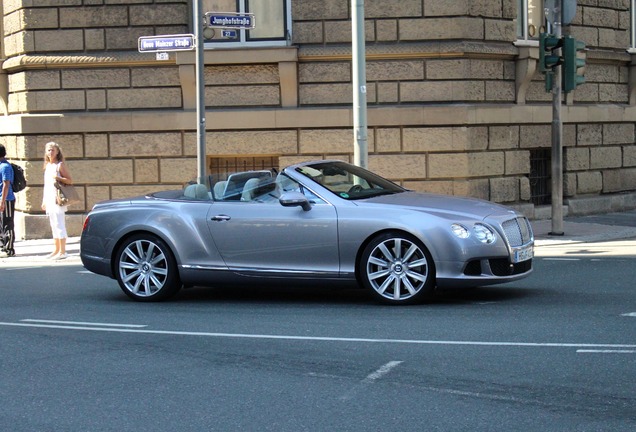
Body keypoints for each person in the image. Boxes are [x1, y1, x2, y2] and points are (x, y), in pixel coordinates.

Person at [41, 141, 73, 260]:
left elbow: (69, 180)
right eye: (48, 150)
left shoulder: (60, 165)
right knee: (53, 224)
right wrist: (44, 200)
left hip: (58, 198)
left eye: (53, 150)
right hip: (49, 197)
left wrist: (58, 178)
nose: (50, 152)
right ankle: (56, 249)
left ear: (58, 151)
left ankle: (63, 251)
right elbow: (46, 185)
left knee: (59, 223)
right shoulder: (48, 166)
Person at [0, 144, 16, 258]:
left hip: (7, 199)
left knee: (7, 224)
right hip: (2, 199)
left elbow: (6, 185)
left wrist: (2, 201)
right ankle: (2, 247)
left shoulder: (5, 166)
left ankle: (9, 249)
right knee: (1, 225)